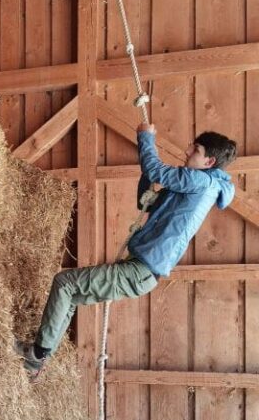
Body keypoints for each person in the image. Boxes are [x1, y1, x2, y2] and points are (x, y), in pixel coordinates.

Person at [16, 123, 237, 377]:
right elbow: (146, 202)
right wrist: (146, 170)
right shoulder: (193, 188)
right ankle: (39, 358)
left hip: (140, 270)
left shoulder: (202, 182)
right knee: (72, 295)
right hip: (140, 270)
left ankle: (36, 357)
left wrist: (146, 137)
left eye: (195, 149)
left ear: (209, 161)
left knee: (64, 283)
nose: (187, 151)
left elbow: (156, 169)